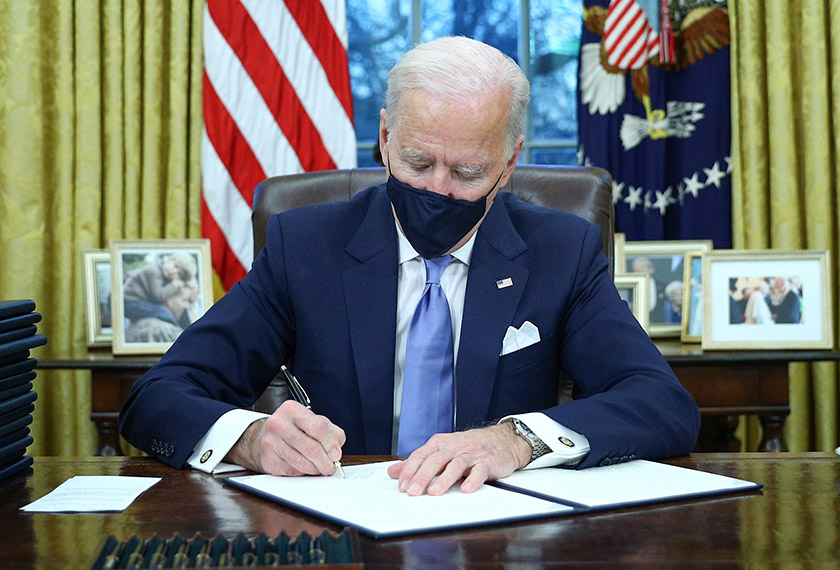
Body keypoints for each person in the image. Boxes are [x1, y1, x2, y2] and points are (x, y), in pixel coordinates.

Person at [119, 37, 699, 497]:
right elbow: (158, 397)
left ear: (510, 160)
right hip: (342, 530)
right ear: (386, 137)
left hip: (498, 533)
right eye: (417, 161)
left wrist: (517, 439)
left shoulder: (561, 251)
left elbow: (660, 402)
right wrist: (249, 439)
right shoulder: (306, 246)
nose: (437, 190)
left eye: (467, 172)